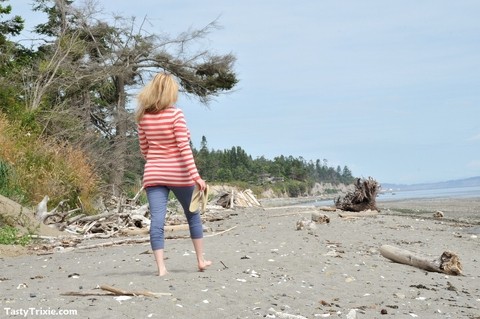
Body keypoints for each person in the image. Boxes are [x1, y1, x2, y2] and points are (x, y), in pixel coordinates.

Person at [135, 72, 212, 276]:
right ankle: (200, 260)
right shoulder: (175, 114)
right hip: (179, 174)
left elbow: (144, 149)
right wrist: (196, 176)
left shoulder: (143, 117)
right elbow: (184, 148)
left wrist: (156, 160)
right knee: (193, 216)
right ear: (170, 92)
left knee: (157, 221)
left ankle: (161, 268)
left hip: (153, 174)